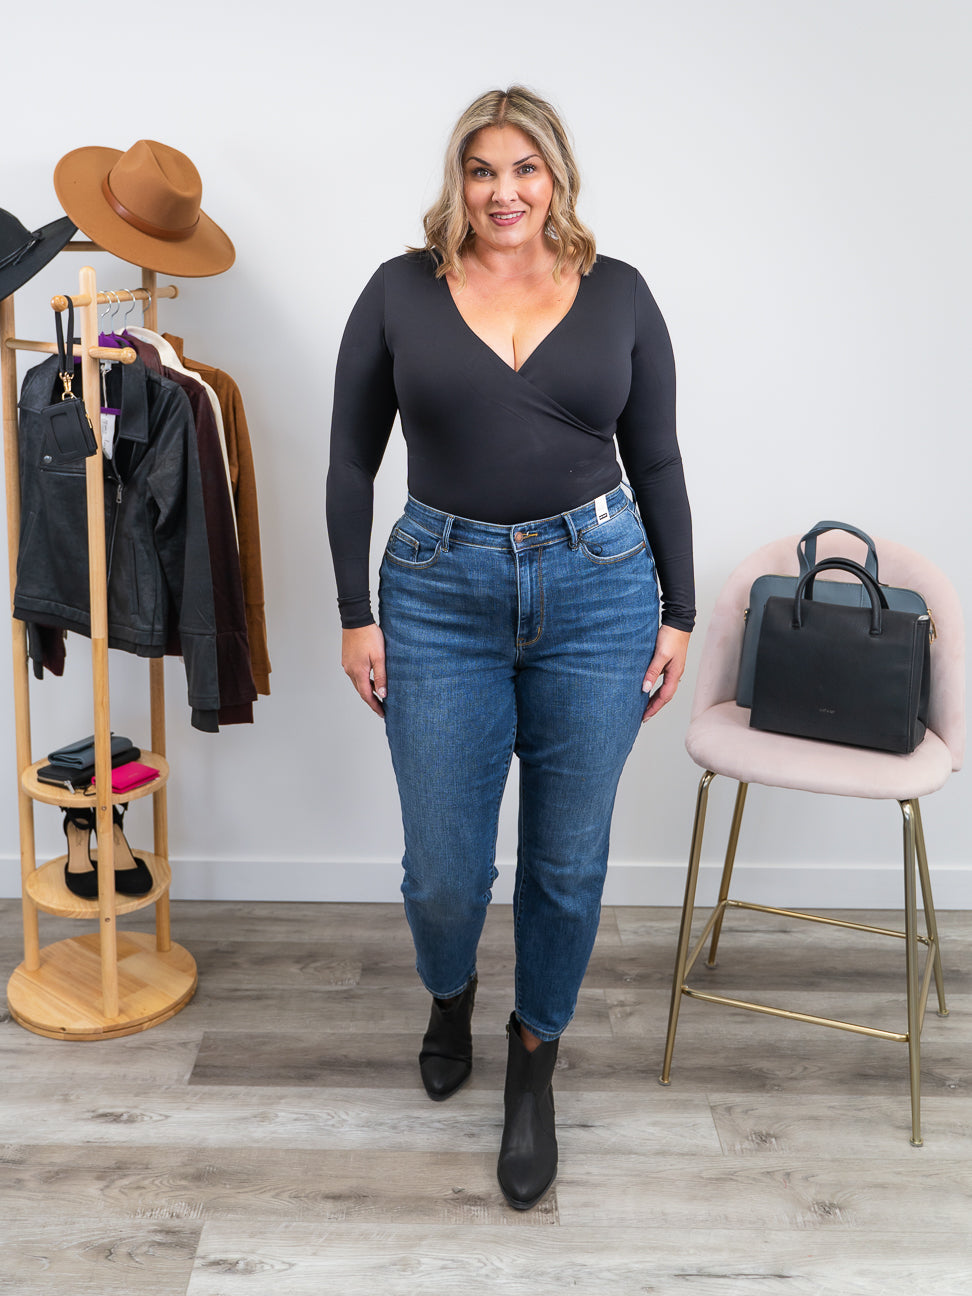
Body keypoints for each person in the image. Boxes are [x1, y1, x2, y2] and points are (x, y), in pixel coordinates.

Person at [326, 85, 694, 1211]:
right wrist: (353, 612)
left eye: (524, 168)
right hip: (438, 592)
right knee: (445, 873)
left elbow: (658, 458)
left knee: (566, 864)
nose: (503, 191)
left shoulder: (620, 290)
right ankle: (451, 992)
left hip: (600, 590)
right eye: (482, 169)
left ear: (556, 177)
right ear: (458, 180)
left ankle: (534, 1060)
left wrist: (679, 609)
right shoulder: (399, 289)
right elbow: (349, 460)